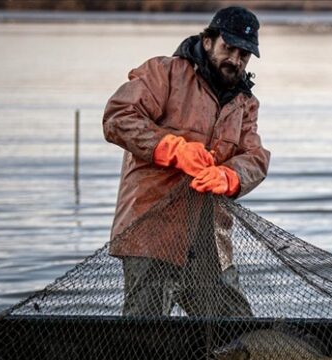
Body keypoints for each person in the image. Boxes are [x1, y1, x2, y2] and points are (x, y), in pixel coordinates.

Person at [102, 6, 271, 317]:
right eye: (228, 48)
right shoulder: (162, 72)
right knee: (145, 340)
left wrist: (230, 177)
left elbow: (255, 158)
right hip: (150, 235)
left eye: (244, 54)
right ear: (207, 41)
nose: (235, 59)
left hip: (210, 242)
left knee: (238, 330)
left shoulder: (245, 102)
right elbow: (117, 117)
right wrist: (172, 148)